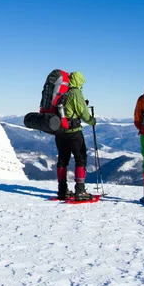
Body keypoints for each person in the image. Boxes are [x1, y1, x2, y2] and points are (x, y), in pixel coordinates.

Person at [55, 71, 97, 201]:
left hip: (60, 131)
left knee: (63, 160)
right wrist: (92, 121)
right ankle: (80, 191)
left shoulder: (61, 92)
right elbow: (84, 114)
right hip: (74, 132)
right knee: (80, 159)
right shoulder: (76, 93)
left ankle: (62, 191)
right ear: (78, 81)